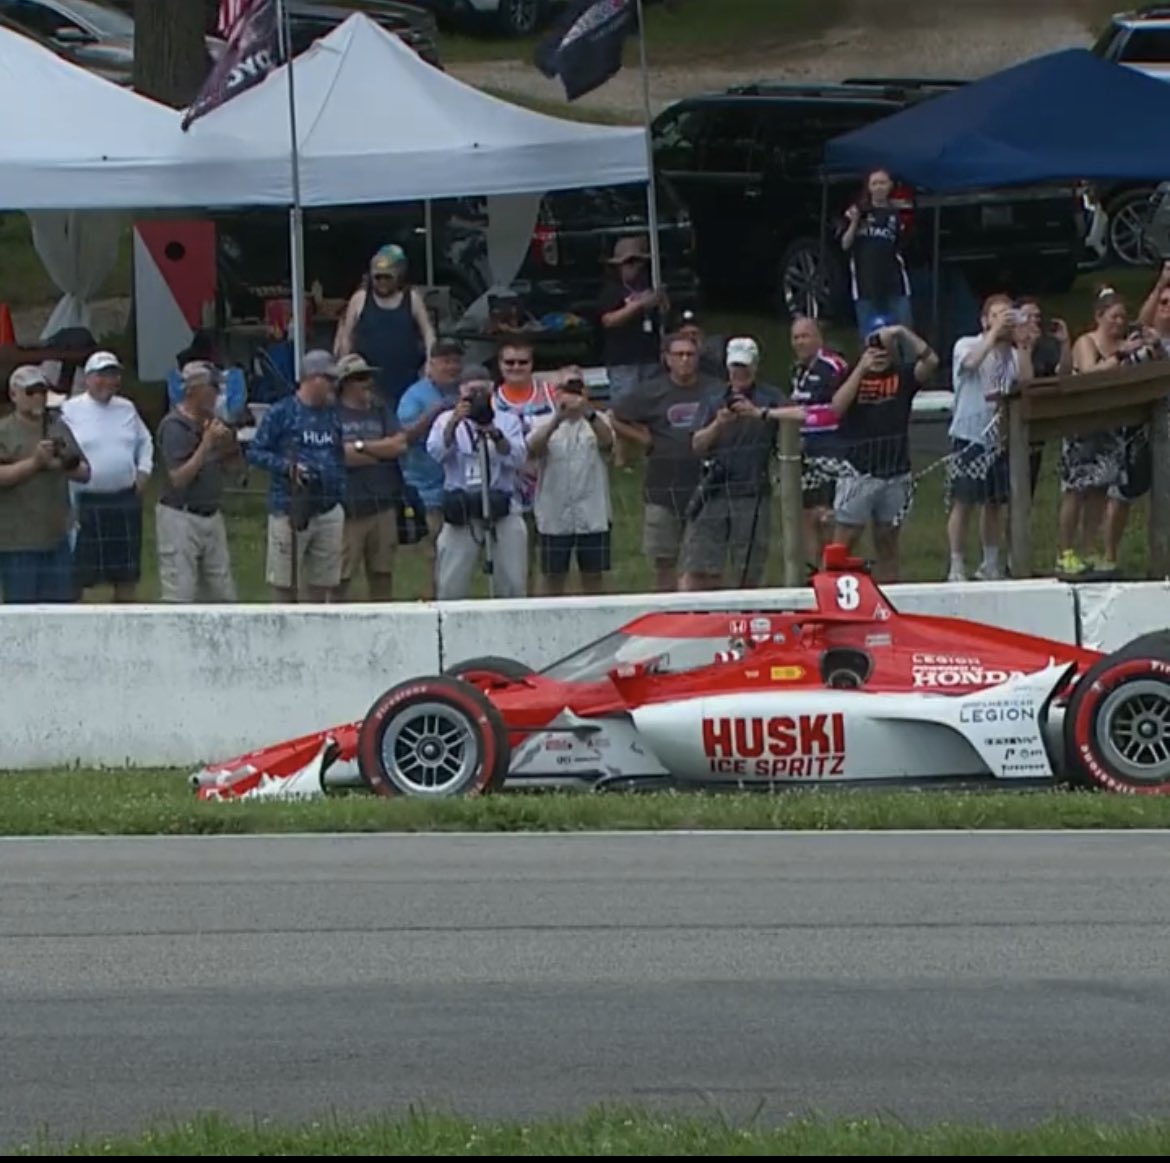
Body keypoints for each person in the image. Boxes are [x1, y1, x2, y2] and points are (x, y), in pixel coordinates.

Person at [678, 336, 799, 591]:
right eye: (735, 368)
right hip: (715, 490)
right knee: (699, 565)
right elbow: (696, 444)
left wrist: (760, 413)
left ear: (755, 366)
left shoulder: (770, 397)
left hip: (753, 492)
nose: (739, 374)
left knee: (750, 570)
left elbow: (801, 415)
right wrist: (718, 424)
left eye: (744, 368)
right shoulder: (712, 399)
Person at [831, 321, 939, 582]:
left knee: (888, 541)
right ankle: (834, 589)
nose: (880, 350)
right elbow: (836, 408)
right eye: (875, 343)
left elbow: (931, 361)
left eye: (885, 344)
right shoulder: (852, 374)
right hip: (859, 470)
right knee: (845, 540)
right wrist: (862, 369)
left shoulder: (903, 375)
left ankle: (889, 592)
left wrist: (902, 332)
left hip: (895, 472)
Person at [945, 295, 1034, 582]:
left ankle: (990, 563)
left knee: (994, 502)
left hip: (1001, 438)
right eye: (997, 315)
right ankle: (956, 565)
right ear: (984, 320)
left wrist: (1022, 345)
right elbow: (970, 364)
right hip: (969, 435)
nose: (1003, 320)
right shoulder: (967, 344)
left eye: (1008, 315)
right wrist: (994, 334)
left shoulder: (1011, 353)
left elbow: (1026, 383)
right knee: (963, 501)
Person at [247, 349, 347, 602]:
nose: (334, 386)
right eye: (330, 380)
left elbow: (338, 453)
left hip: (328, 507)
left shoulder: (333, 414)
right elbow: (255, 451)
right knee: (284, 582)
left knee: (322, 583)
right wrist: (287, 468)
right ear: (313, 379)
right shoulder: (281, 412)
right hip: (291, 507)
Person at [425, 364, 529, 599]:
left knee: (513, 581)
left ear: (493, 391)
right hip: (462, 508)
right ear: (461, 392)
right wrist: (454, 422)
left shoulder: (507, 420)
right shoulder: (444, 420)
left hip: (501, 504)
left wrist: (493, 431)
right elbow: (436, 452)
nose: (478, 398)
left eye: (483, 392)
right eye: (472, 392)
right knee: (451, 583)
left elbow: (518, 457)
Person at [60, 351, 154, 603]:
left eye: (112, 375)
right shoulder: (69, 410)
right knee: (82, 574)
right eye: (101, 375)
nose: (107, 381)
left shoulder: (127, 408)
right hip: (85, 501)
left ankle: (126, 623)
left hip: (124, 499)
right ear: (88, 378)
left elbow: (146, 441)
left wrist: (144, 471)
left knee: (126, 573)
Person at [0, 365, 89, 603]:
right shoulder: (4, 432)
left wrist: (62, 463)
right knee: (22, 615)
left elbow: (85, 472)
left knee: (62, 612)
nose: (38, 396)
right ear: (14, 395)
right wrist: (35, 463)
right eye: (31, 391)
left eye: (42, 390)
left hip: (57, 539)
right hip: (18, 543)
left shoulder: (58, 426)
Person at [154, 361, 239, 602]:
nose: (217, 395)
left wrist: (228, 445)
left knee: (222, 594)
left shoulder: (212, 422)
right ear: (194, 389)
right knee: (181, 593)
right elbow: (178, 478)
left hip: (211, 515)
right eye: (212, 388)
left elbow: (234, 470)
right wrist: (207, 443)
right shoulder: (174, 426)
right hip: (181, 517)